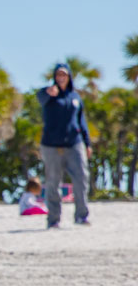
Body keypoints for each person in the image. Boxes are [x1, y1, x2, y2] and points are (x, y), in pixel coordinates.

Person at [37, 62, 92, 228]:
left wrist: (87, 143)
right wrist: (48, 94)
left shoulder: (75, 97)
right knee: (53, 182)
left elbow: (81, 121)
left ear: (69, 77)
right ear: (54, 77)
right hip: (51, 145)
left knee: (81, 177)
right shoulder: (46, 93)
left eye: (64, 75)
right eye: (58, 75)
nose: (61, 78)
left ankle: (81, 216)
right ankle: (53, 219)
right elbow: (40, 99)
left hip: (74, 144)